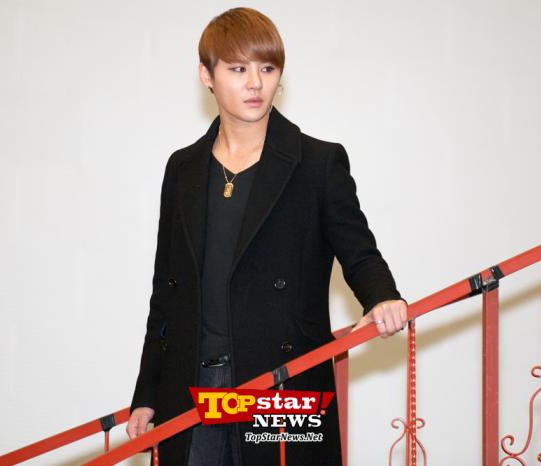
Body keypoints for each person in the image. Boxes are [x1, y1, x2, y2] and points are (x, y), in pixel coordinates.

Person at [126, 7, 407, 466]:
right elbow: (167, 291)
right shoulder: (183, 169)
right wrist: (148, 392)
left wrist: (382, 296)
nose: (255, 83)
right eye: (238, 69)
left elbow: (359, 252)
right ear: (207, 75)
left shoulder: (318, 163)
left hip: (282, 383)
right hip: (195, 386)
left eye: (268, 68)